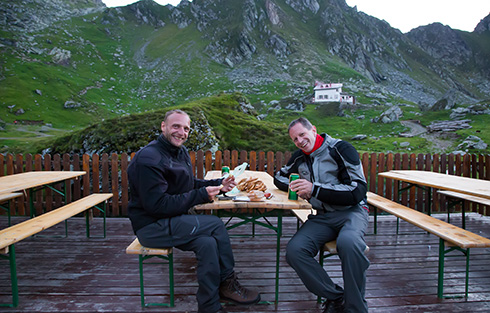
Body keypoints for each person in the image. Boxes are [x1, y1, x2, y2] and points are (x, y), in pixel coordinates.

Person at [127, 109, 260, 313]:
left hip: (172, 219)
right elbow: (157, 205)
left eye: (186, 128)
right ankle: (227, 283)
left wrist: (219, 184)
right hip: (151, 226)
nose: (182, 132)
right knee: (215, 225)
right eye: (176, 126)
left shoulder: (178, 152)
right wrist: (201, 195)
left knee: (206, 243)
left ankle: (209, 305)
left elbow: (187, 184)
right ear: (163, 127)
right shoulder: (149, 159)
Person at [274, 117, 369, 313]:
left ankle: (356, 307)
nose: (300, 141)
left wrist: (314, 189)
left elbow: (357, 191)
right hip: (322, 216)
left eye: (302, 135)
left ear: (314, 130)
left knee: (349, 243)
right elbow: (279, 176)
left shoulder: (341, 149)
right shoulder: (299, 156)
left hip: (351, 212)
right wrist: (295, 185)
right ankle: (337, 297)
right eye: (295, 139)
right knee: (295, 251)